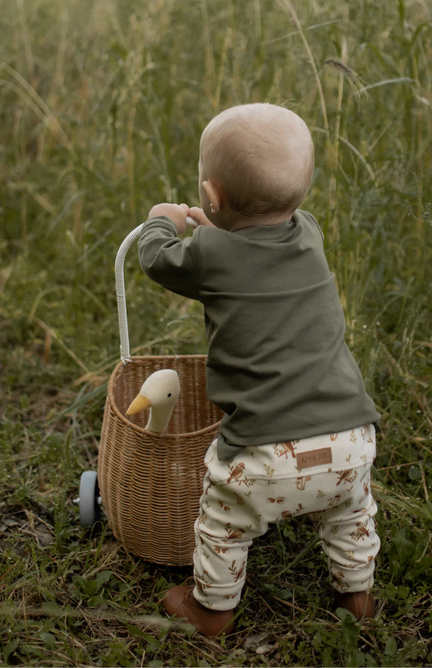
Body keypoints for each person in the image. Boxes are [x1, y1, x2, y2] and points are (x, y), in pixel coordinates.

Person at [137, 103, 381, 637]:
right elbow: (255, 238)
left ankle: (213, 608)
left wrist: (164, 220)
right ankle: (357, 594)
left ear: (211, 195)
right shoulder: (310, 233)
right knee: (350, 515)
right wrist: (218, 228)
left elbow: (156, 258)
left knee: (223, 523)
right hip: (350, 442)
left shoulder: (206, 253)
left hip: (265, 456)